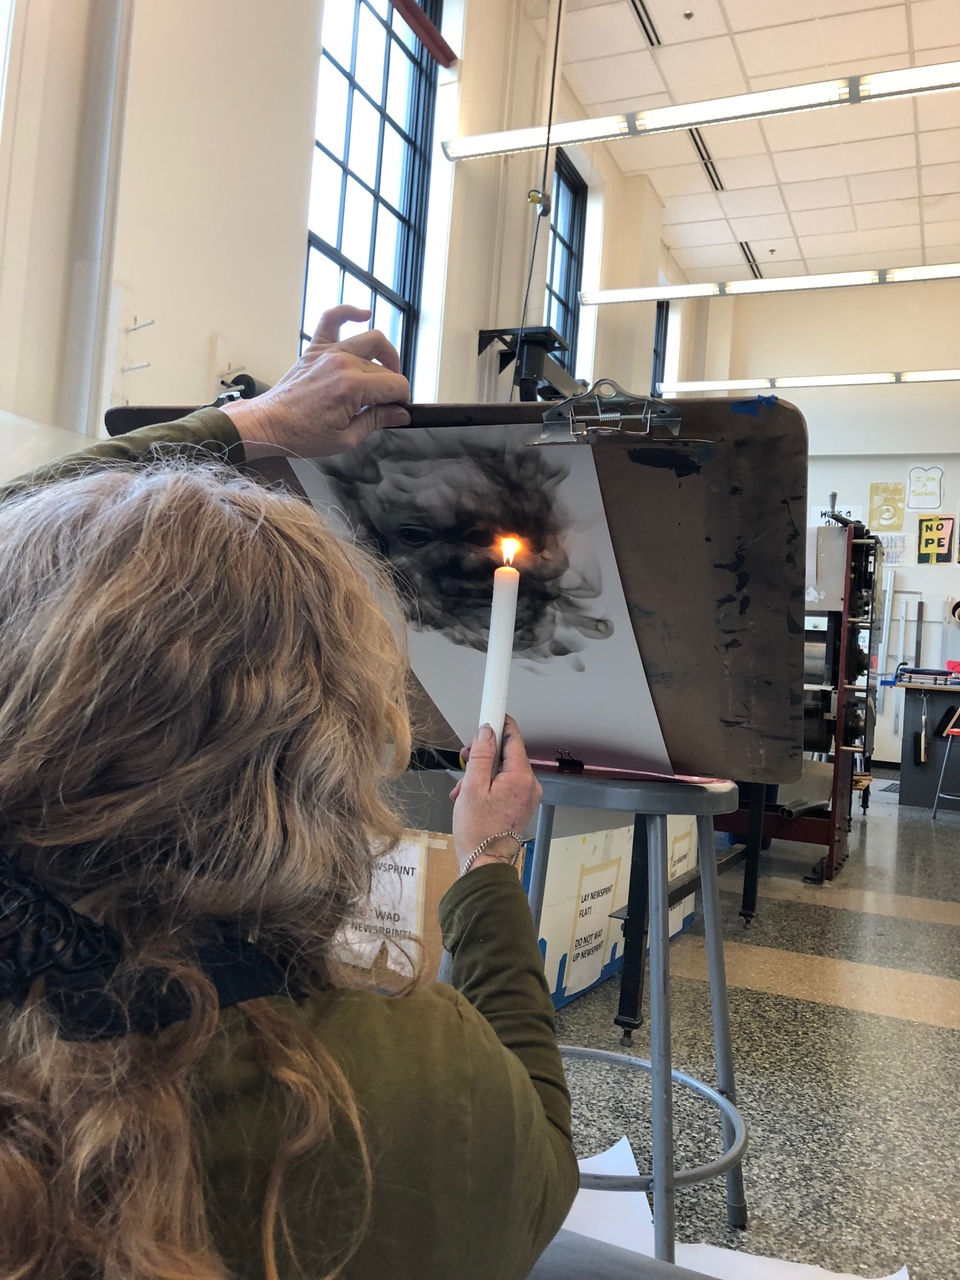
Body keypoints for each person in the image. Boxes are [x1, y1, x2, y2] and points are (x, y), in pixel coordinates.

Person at [0, 306, 578, 1280]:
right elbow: (542, 1168)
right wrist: (486, 864)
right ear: (336, 749)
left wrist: (257, 424)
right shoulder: (424, 1085)